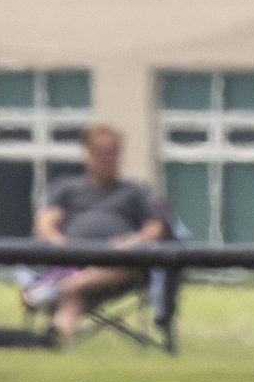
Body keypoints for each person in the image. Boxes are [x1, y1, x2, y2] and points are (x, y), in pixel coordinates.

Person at [27, 124, 168, 341]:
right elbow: (44, 223)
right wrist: (62, 245)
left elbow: (155, 228)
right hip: (74, 260)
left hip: (121, 264)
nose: (109, 159)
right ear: (88, 154)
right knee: (73, 290)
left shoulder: (135, 191)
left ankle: (55, 290)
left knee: (77, 283)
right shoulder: (66, 188)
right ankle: (56, 340)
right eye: (102, 153)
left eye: (113, 153)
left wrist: (133, 240)